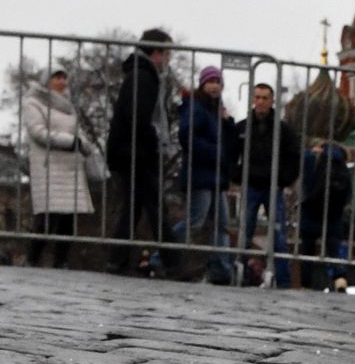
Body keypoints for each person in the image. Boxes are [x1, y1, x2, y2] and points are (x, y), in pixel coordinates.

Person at [105, 28, 178, 275]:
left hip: (132, 151)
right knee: (155, 208)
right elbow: (139, 116)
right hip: (137, 152)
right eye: (167, 53)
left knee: (134, 207)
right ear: (156, 52)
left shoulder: (140, 74)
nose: (169, 59)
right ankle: (172, 263)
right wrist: (153, 142)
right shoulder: (143, 76)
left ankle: (117, 259)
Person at [21, 69, 96, 267]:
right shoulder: (32, 103)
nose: (63, 81)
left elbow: (79, 132)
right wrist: (71, 142)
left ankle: (61, 263)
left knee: (68, 218)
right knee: (47, 215)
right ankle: (32, 260)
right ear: (47, 81)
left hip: (71, 167)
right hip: (48, 166)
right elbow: (38, 132)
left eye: (64, 77)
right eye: (57, 77)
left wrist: (86, 146)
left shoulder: (68, 107)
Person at [173, 66, 238, 283]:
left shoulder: (215, 109)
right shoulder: (197, 107)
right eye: (210, 82)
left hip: (216, 176)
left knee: (222, 223)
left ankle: (221, 267)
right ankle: (162, 254)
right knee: (195, 221)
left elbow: (228, 141)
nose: (214, 86)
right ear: (202, 84)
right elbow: (187, 135)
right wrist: (214, 153)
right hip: (201, 174)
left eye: (218, 82)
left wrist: (227, 123)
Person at [236, 82, 301, 288]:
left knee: (278, 236)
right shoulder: (243, 127)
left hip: (274, 187)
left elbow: (295, 156)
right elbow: (230, 154)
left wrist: (284, 179)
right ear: (253, 100)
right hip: (251, 186)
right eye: (257, 97)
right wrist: (237, 176)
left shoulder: (283, 130)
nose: (261, 102)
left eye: (265, 98)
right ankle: (240, 276)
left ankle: (283, 280)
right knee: (244, 233)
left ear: (272, 101)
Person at [298, 139, 352, 289]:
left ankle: (306, 284)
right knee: (334, 249)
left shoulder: (312, 157)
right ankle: (340, 278)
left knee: (307, 250)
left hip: (311, 211)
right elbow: (348, 192)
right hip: (333, 215)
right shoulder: (341, 162)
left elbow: (306, 181)